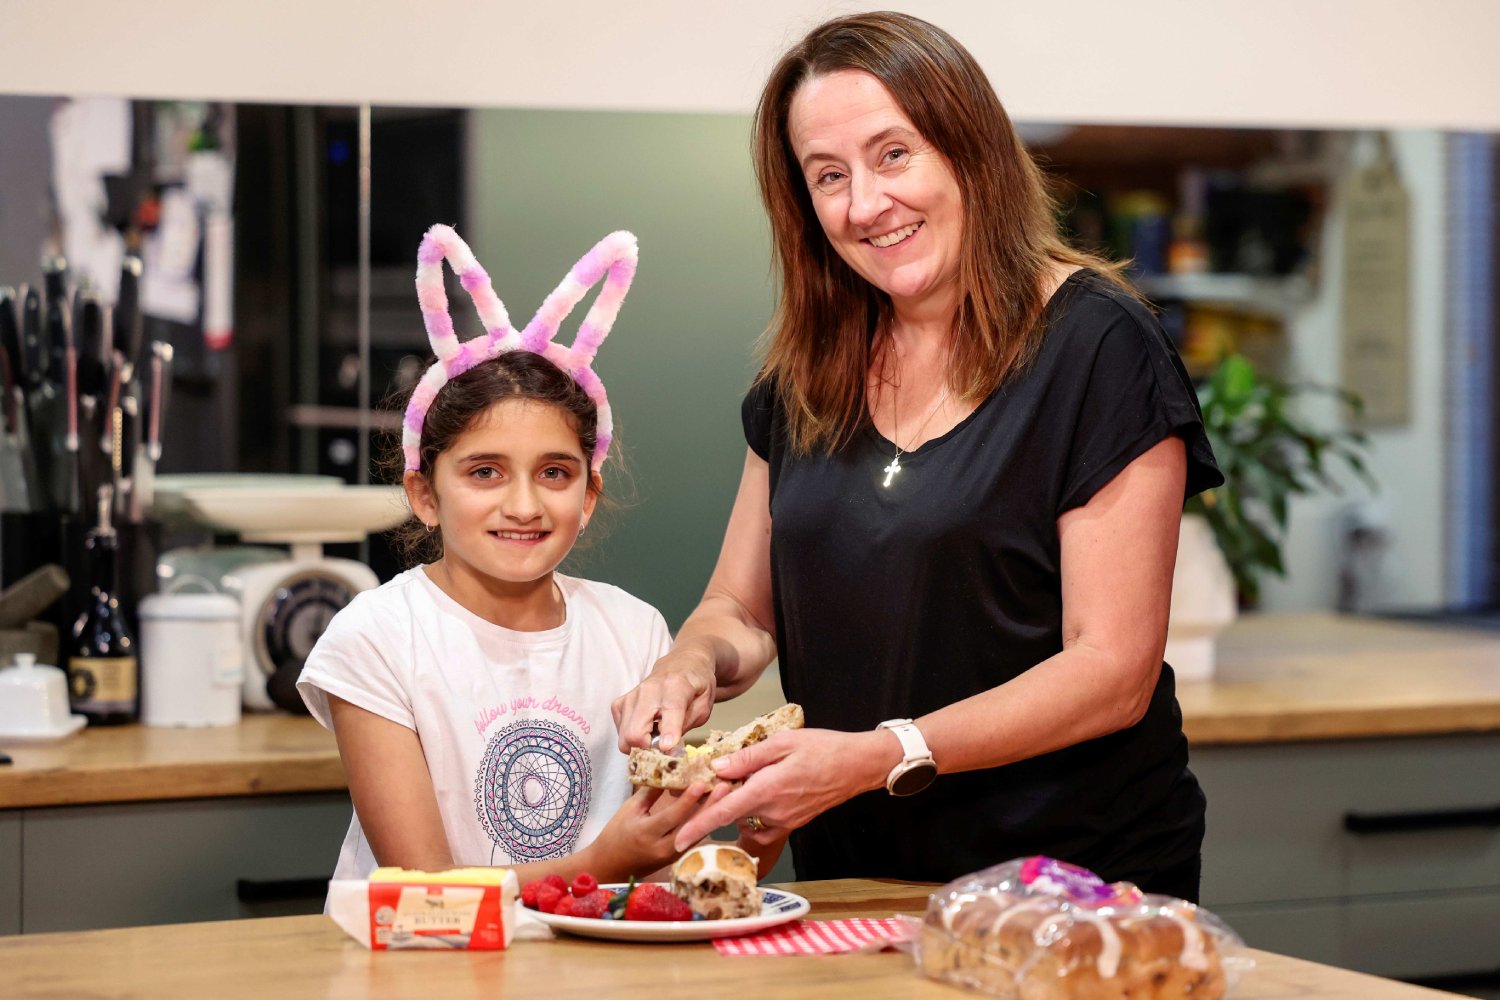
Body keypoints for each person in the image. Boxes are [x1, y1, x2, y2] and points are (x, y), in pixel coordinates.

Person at [612, 11, 1222, 900]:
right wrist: (691, 661)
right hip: (855, 882)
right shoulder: (809, 368)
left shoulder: (1098, 345)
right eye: (829, 176)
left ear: (968, 148)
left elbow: (1110, 672)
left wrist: (880, 755)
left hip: (1068, 887)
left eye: (894, 154)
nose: (864, 204)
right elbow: (739, 606)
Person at [299, 224, 706, 886]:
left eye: (554, 473)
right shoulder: (375, 639)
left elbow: (669, 871)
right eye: (485, 472)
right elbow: (421, 893)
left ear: (589, 492)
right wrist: (599, 864)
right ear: (424, 494)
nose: (524, 505)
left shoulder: (634, 634)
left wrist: (751, 834)